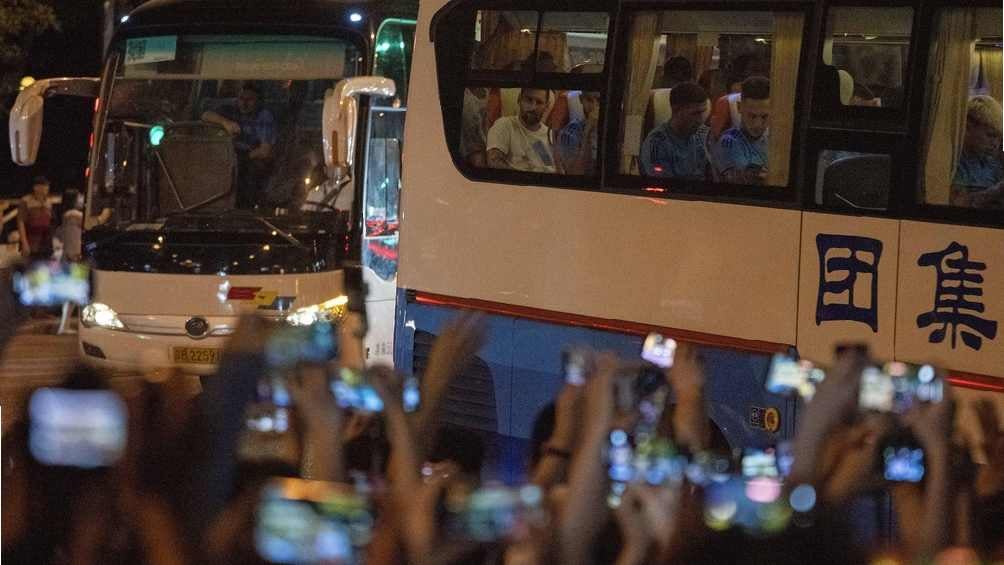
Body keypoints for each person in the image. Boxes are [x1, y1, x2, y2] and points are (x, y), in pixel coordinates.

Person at [201, 82, 277, 208]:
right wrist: (225, 122)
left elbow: (265, 151)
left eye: (250, 99)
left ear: (258, 101)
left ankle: (243, 210)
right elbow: (205, 115)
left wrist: (240, 159)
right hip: (225, 154)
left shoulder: (264, 116)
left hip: (249, 158)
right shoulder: (229, 109)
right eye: (241, 98)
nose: (244, 103)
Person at [640, 82, 710, 179]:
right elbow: (662, 186)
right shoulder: (657, 142)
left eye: (703, 112)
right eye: (695, 114)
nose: (700, 120)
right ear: (676, 110)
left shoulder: (704, 134)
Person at [713, 76, 770, 185]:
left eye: (764, 117)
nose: (758, 125)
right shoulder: (728, 142)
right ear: (739, 107)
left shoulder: (776, 140)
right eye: (752, 116)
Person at [486, 88, 557, 173]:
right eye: (528, 100)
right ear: (519, 99)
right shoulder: (504, 125)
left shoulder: (550, 135)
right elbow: (493, 162)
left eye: (539, 102)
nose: (533, 107)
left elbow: (549, 167)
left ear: (546, 106)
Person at [950, 95, 1004, 208]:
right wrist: (997, 191)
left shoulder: (993, 163)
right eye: (990, 135)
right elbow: (958, 204)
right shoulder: (957, 163)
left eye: (999, 138)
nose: (996, 144)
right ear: (968, 128)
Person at [555, 91, 600, 175]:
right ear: (581, 99)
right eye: (589, 100)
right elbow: (574, 173)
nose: (594, 107)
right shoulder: (570, 132)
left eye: (599, 100)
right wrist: (587, 131)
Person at [16, 176, 53, 259]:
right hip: (31, 242)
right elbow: (20, 222)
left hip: (45, 243)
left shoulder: (49, 202)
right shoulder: (26, 201)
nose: (47, 188)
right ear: (36, 187)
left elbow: (50, 221)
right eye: (44, 185)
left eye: (47, 186)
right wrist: (24, 243)